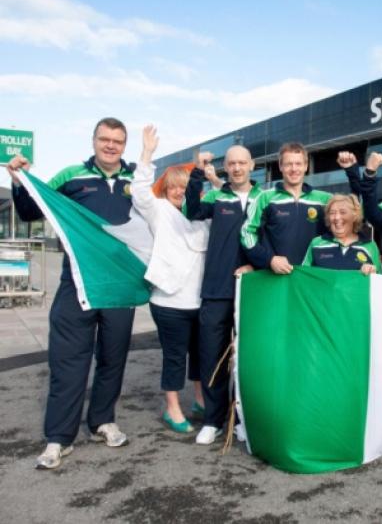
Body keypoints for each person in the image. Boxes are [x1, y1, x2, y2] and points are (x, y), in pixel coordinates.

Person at [7, 117, 135, 470]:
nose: (111, 146)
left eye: (118, 141)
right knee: (68, 361)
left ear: (125, 145)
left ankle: (102, 422)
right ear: (94, 140)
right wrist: (18, 180)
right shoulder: (70, 175)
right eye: (105, 139)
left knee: (113, 359)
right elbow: (33, 209)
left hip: (120, 287)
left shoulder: (136, 179)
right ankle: (59, 438)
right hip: (76, 284)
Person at [131, 125, 209, 434]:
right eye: (174, 186)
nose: (179, 191)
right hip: (168, 301)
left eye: (185, 186)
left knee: (201, 355)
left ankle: (200, 400)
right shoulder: (159, 210)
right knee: (175, 357)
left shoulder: (204, 215)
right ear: (166, 188)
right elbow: (139, 192)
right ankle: (172, 408)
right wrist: (147, 154)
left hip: (200, 301)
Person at [185, 145, 257, 445]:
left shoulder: (264, 198)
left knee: (249, 360)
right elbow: (191, 210)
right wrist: (198, 172)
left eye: (242, 162)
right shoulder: (217, 196)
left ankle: (243, 420)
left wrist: (256, 264)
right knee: (212, 357)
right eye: (232, 164)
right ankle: (213, 421)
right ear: (225, 167)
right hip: (216, 290)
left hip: (253, 291)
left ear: (252, 165)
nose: (237, 168)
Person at [241, 142, 332, 274]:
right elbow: (246, 233)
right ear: (280, 166)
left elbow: (353, 218)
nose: (294, 169)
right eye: (289, 164)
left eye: (298, 164)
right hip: (275, 277)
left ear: (306, 166)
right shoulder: (265, 198)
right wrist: (269, 259)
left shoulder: (325, 200)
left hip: (312, 276)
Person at [302, 194, 382, 274]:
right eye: (332, 213)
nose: (337, 217)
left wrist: (373, 272)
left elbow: (381, 280)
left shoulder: (370, 246)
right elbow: (302, 276)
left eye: (343, 212)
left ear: (354, 216)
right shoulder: (316, 244)